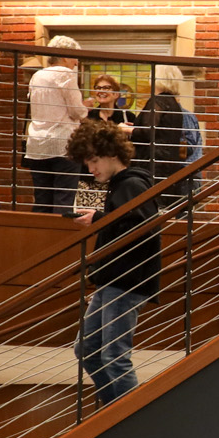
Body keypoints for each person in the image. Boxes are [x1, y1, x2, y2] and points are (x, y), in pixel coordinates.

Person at [69, 119, 160, 407]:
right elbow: (129, 223)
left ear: (111, 154)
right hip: (115, 279)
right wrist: (101, 220)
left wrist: (99, 220)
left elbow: (140, 228)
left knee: (112, 354)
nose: (90, 168)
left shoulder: (131, 184)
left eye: (94, 160)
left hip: (125, 280)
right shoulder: (125, 184)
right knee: (88, 348)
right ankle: (115, 411)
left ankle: (127, 417)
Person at [24, 37, 87, 216]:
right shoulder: (65, 74)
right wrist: (86, 108)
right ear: (65, 56)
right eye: (75, 57)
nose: (76, 62)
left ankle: (40, 240)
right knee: (63, 199)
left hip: (37, 146)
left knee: (42, 199)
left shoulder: (37, 75)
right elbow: (76, 111)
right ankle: (61, 240)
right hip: (63, 144)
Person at [132, 64, 193, 191]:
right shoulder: (173, 103)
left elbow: (147, 132)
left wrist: (125, 129)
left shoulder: (158, 101)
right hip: (168, 164)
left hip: (153, 163)